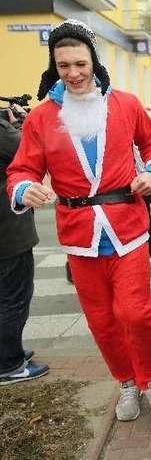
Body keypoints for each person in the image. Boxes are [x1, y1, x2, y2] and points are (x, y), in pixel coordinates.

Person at [6, 19, 151, 423]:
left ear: (94, 62)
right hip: (79, 234)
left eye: (80, 63)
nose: (73, 73)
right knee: (101, 321)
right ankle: (127, 382)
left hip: (127, 226)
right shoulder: (42, 117)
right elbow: (22, 168)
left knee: (136, 313)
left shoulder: (126, 104)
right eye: (63, 65)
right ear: (54, 67)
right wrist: (23, 188)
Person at [0, 105, 49, 386]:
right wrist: (20, 122)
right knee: (13, 298)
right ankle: (9, 364)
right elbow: (26, 149)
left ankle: (8, 351)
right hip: (7, 233)